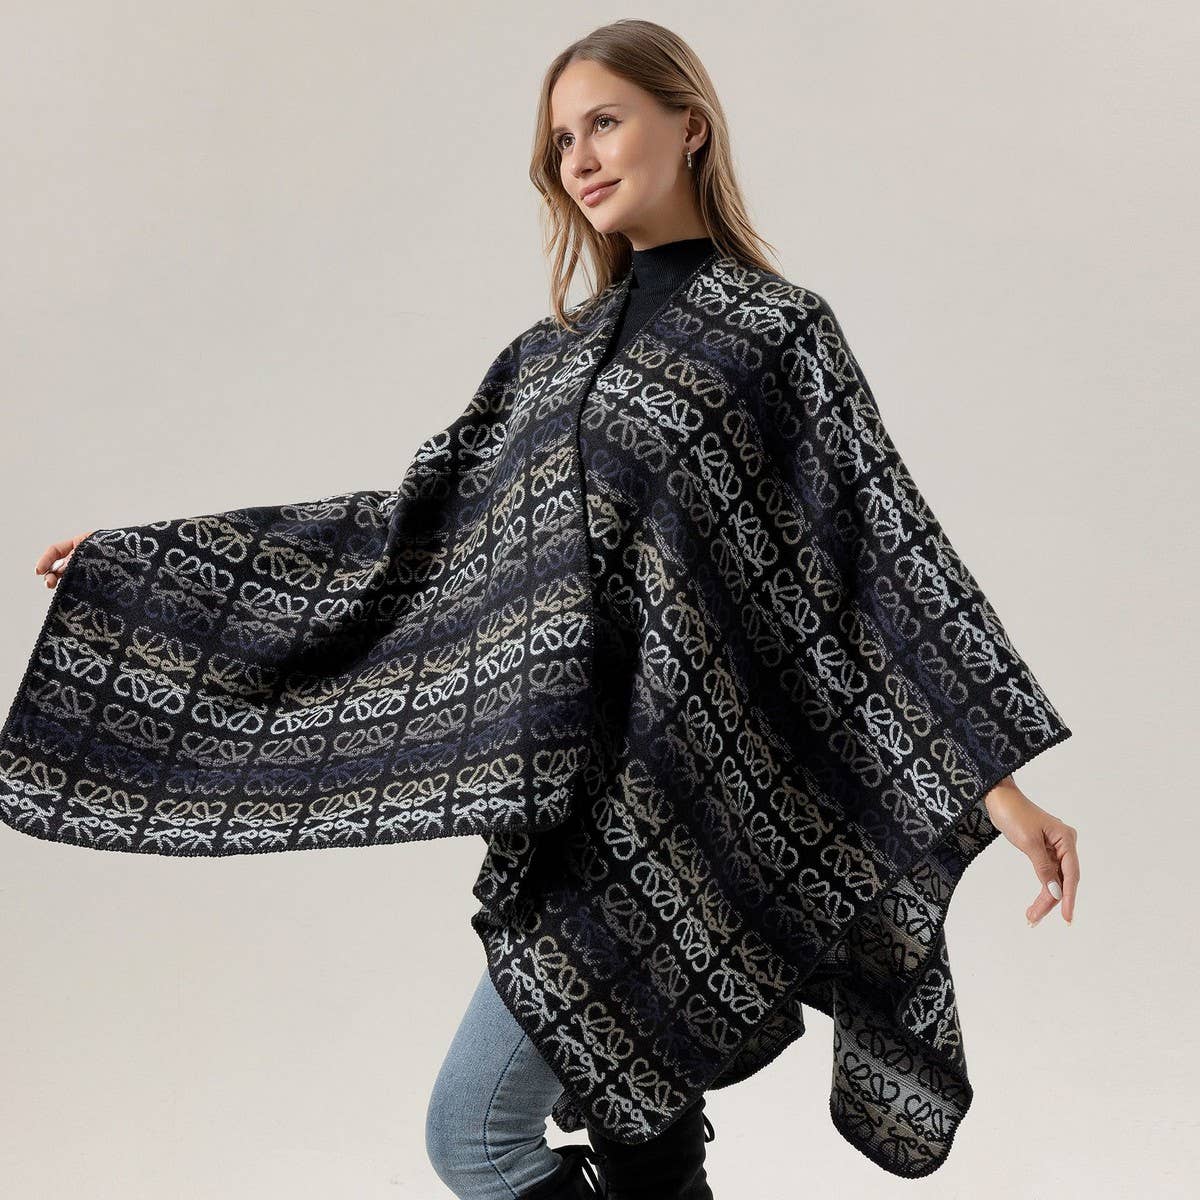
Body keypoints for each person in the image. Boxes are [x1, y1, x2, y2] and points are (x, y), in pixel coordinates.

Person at [19, 18, 1079, 1200]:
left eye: (604, 122)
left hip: (720, 809)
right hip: (578, 822)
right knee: (555, 1141)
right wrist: (154, 571)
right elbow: (410, 536)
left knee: (509, 1138)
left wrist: (1003, 791)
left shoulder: (777, 336)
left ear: (690, 126)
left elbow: (877, 561)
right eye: (561, 140)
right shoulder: (548, 362)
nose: (579, 158)